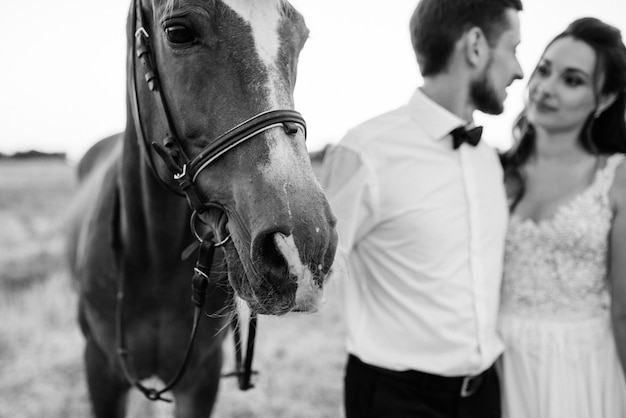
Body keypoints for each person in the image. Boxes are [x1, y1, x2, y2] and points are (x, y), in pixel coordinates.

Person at [320, 0, 524, 416]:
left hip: (486, 395)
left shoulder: (486, 157)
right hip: (396, 399)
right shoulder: (366, 151)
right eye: (514, 48)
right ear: (475, 46)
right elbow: (310, 275)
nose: (519, 70)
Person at [498, 17, 626, 418]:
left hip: (581, 365)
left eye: (572, 80)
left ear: (603, 99)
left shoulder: (616, 177)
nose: (546, 88)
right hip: (497, 363)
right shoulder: (493, 171)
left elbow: (625, 308)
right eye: (545, 70)